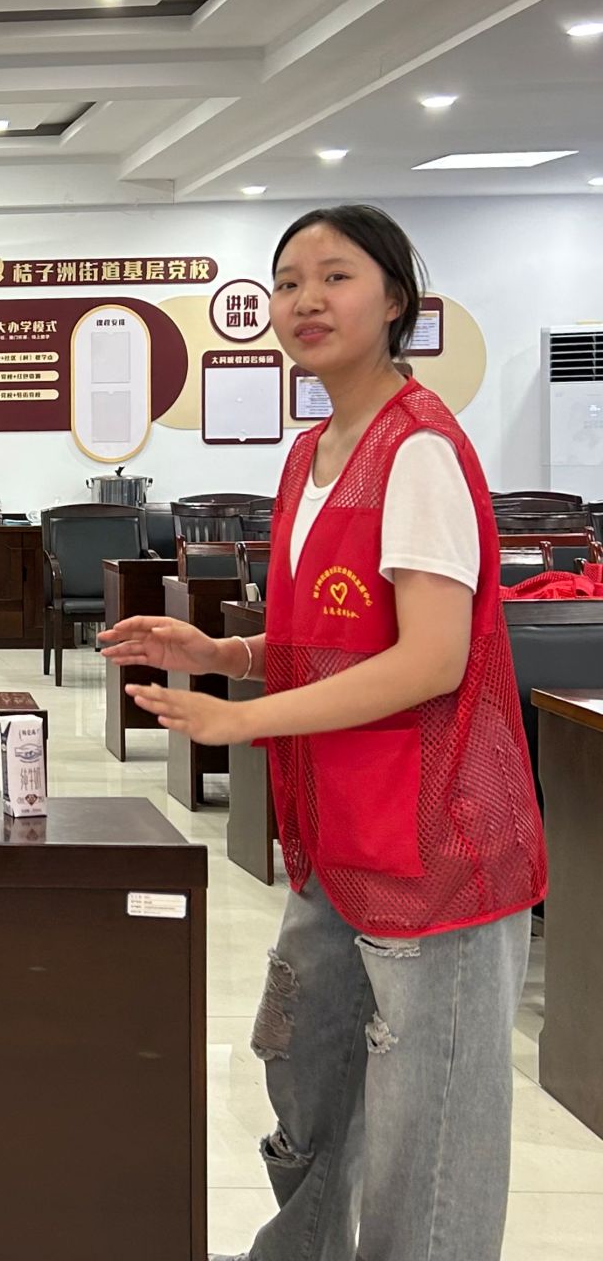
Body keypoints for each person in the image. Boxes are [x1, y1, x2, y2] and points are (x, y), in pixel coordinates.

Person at [100, 205, 545, 1261]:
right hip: (336, 837)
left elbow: (429, 660)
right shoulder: (311, 452)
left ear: (394, 301)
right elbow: (336, 640)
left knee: (425, 1136)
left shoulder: (419, 450)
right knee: (304, 1070)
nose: (305, 300)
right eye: (287, 281)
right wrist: (225, 654)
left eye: (335, 276)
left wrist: (243, 719)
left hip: (432, 843)